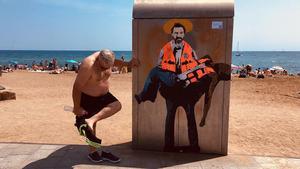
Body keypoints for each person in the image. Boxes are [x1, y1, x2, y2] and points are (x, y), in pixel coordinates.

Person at [135, 22, 214, 152]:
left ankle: (194, 147)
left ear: (184, 34)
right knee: (170, 116)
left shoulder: (190, 50)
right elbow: (160, 68)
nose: (178, 35)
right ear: (172, 34)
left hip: (186, 89)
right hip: (171, 89)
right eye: (176, 33)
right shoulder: (164, 49)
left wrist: (189, 80)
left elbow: (195, 68)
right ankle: (168, 146)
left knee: (190, 116)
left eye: (181, 33)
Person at [72, 49, 122, 163]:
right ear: (99, 59)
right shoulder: (88, 64)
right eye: (104, 67)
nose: (106, 69)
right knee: (91, 130)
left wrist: (128, 63)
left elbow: (116, 62)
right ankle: (93, 153)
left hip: (103, 96)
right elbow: (77, 87)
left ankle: (91, 120)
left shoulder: (107, 59)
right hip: (88, 97)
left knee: (117, 105)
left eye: (108, 67)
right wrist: (76, 107)